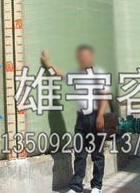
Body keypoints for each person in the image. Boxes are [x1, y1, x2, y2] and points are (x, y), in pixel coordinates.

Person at [41, 45, 109, 193]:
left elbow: (104, 96)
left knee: (97, 155)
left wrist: (100, 115)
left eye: (86, 56)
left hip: (96, 117)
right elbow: (58, 74)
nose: (83, 59)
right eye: (81, 56)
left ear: (91, 57)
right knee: (80, 154)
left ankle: (96, 186)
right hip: (81, 119)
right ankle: (76, 186)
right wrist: (46, 63)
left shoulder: (98, 73)